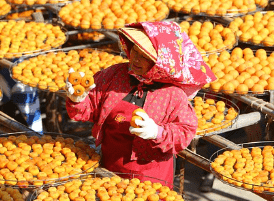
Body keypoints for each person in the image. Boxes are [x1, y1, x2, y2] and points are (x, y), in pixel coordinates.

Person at [66, 21, 216, 186]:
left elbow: (185, 132)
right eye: (135, 52)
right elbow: (90, 109)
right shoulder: (114, 75)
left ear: (160, 62)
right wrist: (78, 100)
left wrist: (157, 132)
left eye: (145, 57)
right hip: (110, 168)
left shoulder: (173, 94)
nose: (136, 59)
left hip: (151, 178)